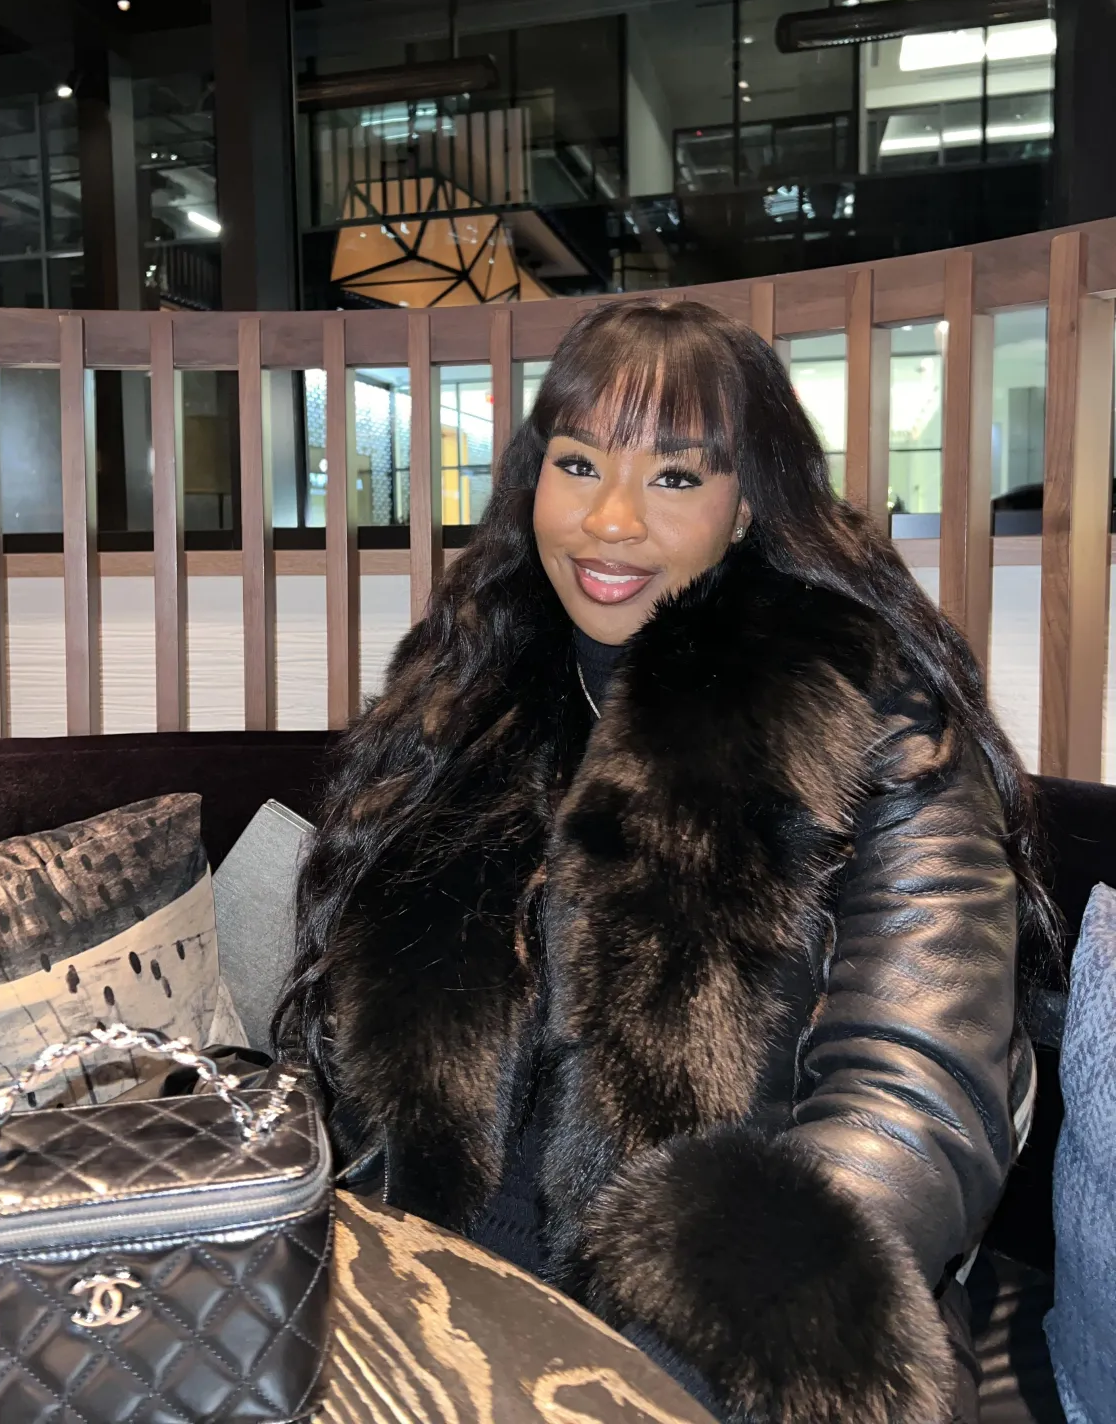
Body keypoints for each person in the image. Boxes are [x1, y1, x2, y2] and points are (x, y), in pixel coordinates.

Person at [277, 299, 1052, 1424]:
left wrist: (684, 1351)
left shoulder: (867, 716)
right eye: (578, 462)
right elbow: (345, 1068)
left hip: (717, 1341)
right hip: (424, 1291)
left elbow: (919, 1096)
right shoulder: (469, 701)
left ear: (746, 509)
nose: (609, 520)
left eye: (676, 478)